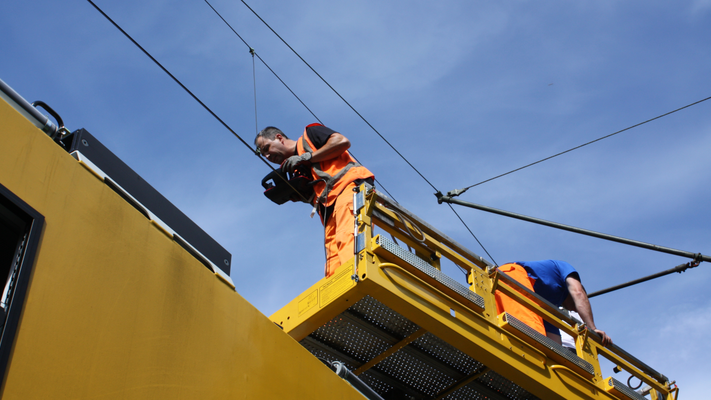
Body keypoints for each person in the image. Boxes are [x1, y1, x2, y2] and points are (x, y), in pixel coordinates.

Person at [255, 124, 374, 278]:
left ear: (279, 138)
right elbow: (320, 188)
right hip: (328, 208)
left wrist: (308, 157)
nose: (267, 156)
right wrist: (303, 196)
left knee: (348, 239)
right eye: (263, 155)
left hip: (349, 188)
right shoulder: (296, 168)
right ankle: (342, 292)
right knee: (333, 258)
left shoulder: (309, 135)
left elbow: (342, 142)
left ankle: (357, 282)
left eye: (266, 148)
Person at [498, 260, 612, 347]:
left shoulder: (550, 307)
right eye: (576, 306)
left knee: (537, 339)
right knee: (531, 334)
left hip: (511, 291)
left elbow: (555, 343)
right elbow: (578, 293)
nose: (575, 310)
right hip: (512, 275)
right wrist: (592, 329)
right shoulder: (563, 268)